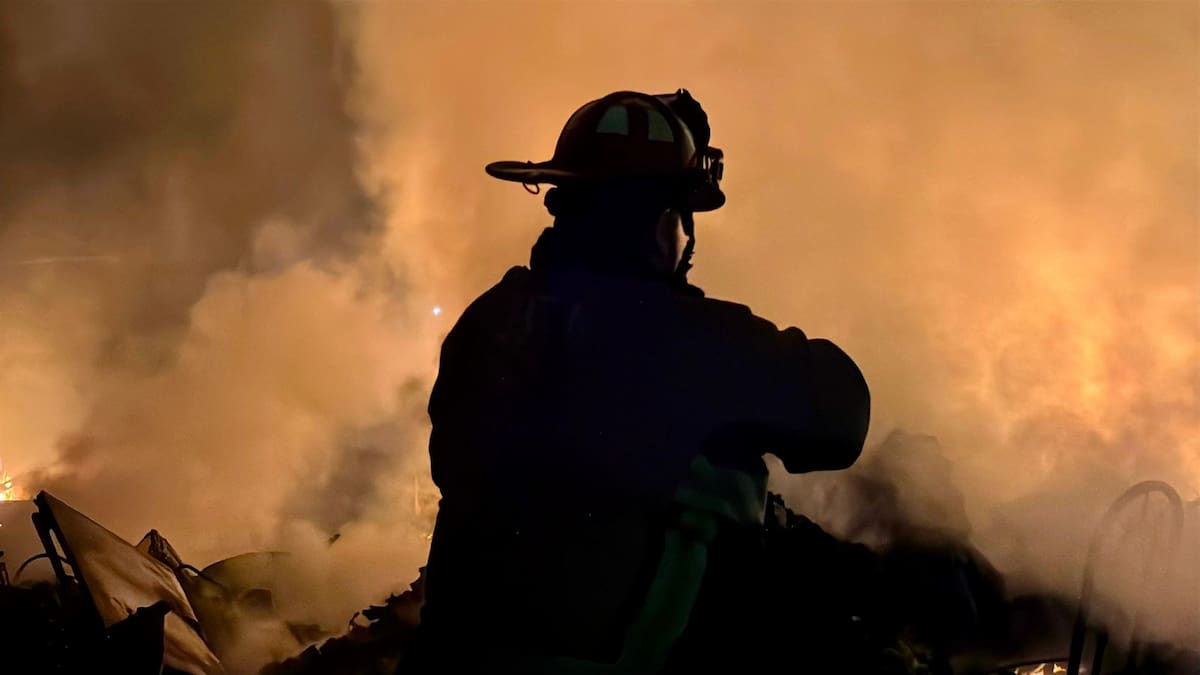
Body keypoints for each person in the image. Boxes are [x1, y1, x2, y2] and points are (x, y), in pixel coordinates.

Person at [406, 90, 871, 674]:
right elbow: (843, 416)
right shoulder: (695, 342)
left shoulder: (488, 321)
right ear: (662, 229)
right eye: (682, 218)